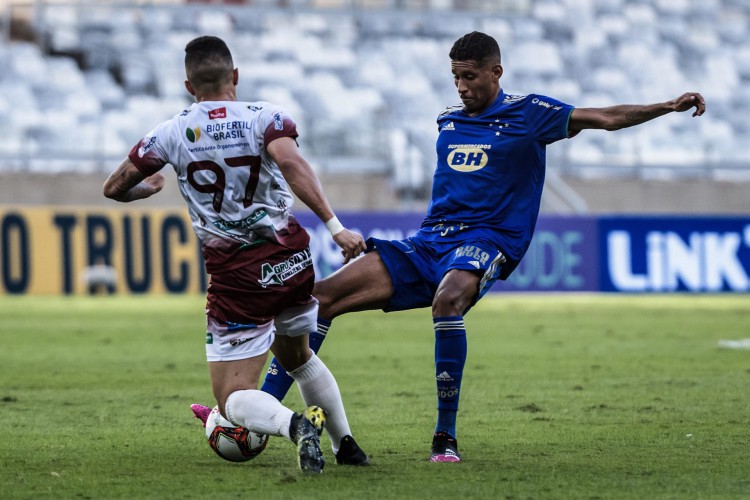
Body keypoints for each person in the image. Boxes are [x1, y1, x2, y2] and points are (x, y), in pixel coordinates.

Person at [260, 31, 707, 462]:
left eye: (470, 76)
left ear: (496, 72)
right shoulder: (448, 118)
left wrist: (666, 106)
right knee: (318, 299)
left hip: (489, 239)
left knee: (448, 299)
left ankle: (445, 435)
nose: (462, 86)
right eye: (456, 76)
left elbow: (607, 118)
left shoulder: (531, 113)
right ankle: (257, 416)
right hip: (430, 240)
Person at [103, 35, 369, 473]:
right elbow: (292, 164)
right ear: (236, 76)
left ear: (189, 85)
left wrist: (143, 190)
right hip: (293, 259)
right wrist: (335, 227)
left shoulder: (171, 133)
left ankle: (297, 426)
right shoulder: (266, 117)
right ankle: (348, 447)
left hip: (238, 276)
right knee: (297, 355)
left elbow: (113, 187)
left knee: (231, 396)